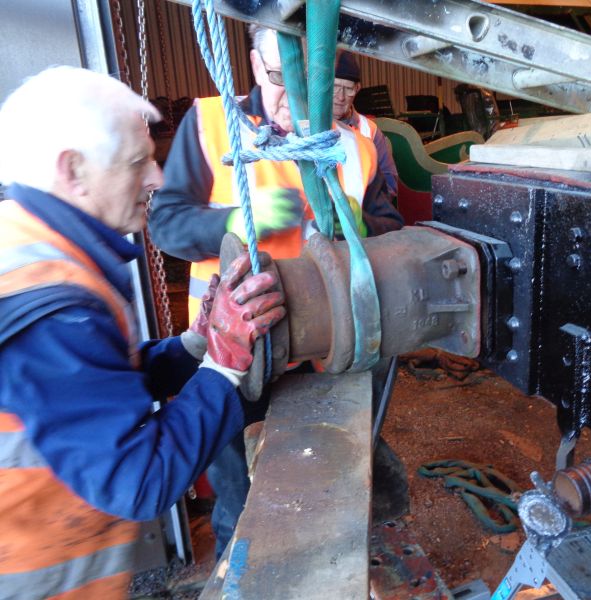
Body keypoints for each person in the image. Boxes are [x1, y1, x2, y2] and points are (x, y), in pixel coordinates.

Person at [0, 66, 286, 599]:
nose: (156, 178)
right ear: (74, 171)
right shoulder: (51, 306)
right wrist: (223, 367)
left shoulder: (30, 242)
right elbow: (141, 482)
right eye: (138, 162)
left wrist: (194, 345)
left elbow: (100, 381)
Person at [149, 26, 404, 558]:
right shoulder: (214, 124)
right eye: (278, 76)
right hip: (235, 352)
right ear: (252, 63)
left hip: (333, 353)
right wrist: (238, 221)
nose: (299, 97)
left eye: (314, 81)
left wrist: (358, 230)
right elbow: (167, 223)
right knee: (240, 507)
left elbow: (390, 229)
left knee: (330, 484)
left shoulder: (362, 143)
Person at [333, 52, 399, 198]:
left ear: (357, 89)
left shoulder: (370, 131)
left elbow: (390, 185)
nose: (341, 97)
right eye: (335, 86)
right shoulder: (305, 127)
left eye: (348, 88)